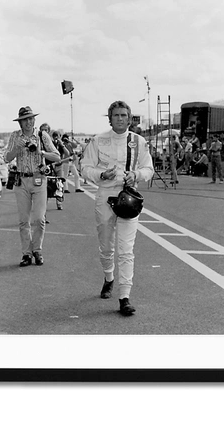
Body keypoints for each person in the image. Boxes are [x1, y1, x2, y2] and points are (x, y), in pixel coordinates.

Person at [81, 100, 154, 316]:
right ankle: (108, 277)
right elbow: (85, 168)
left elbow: (148, 168)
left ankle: (124, 296)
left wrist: (137, 175)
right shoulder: (98, 140)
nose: (120, 119)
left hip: (128, 198)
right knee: (106, 246)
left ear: (129, 119)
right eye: (116, 115)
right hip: (105, 195)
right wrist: (101, 175)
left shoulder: (138, 142)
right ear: (110, 118)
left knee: (126, 250)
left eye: (124, 115)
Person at [4, 106, 60, 267]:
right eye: (25, 119)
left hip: (39, 179)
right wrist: (17, 148)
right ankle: (26, 253)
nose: (29, 122)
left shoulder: (42, 135)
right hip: (21, 180)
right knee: (23, 220)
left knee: (39, 219)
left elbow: (56, 156)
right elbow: (7, 158)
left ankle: (37, 249)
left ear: (34, 120)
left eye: (31, 118)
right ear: (20, 123)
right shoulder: (15, 136)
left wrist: (41, 153)